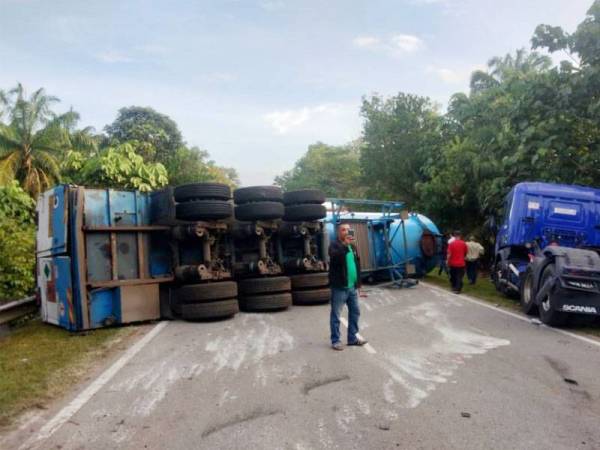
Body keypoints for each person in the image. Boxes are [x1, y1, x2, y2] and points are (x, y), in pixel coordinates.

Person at [328, 223, 367, 351]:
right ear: (339, 232)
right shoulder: (334, 246)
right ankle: (336, 340)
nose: (346, 232)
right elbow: (335, 257)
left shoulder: (353, 246)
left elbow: (356, 265)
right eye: (343, 230)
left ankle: (352, 338)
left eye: (348, 230)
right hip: (340, 288)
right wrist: (345, 244)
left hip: (352, 288)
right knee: (336, 315)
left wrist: (359, 285)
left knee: (355, 312)